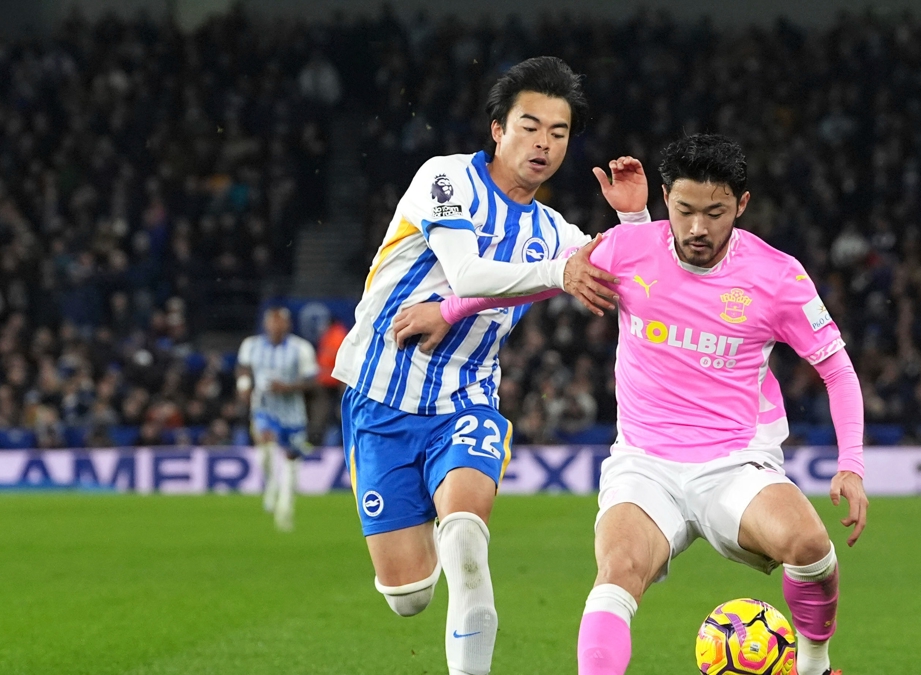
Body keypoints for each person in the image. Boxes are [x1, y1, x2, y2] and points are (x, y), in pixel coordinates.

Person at [395, 134, 867, 675]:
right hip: (644, 465)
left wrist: (851, 465)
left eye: (714, 213)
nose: (697, 227)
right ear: (666, 198)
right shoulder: (627, 248)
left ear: (742, 205)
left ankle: (814, 663)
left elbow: (837, 370)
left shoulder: (777, 275)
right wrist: (448, 310)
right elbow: (541, 282)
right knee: (617, 571)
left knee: (809, 546)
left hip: (736, 462)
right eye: (685, 210)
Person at [331, 56, 649, 675]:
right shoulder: (446, 178)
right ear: (498, 129)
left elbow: (637, 277)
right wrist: (559, 274)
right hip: (380, 395)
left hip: (467, 399)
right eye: (530, 127)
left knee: (466, 535)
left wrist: (633, 219)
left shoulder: (554, 231)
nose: (543, 143)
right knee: (408, 596)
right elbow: (469, 272)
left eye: (558, 133)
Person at [236, 307, 318, 532]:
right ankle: (271, 485)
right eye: (272, 322)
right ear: (266, 324)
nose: (275, 326)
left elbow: (312, 381)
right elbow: (243, 368)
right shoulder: (251, 345)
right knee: (266, 445)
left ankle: (285, 505)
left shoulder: (301, 348)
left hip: (292, 413)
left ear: (287, 325)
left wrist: (287, 387)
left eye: (279, 322)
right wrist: (243, 386)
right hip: (264, 407)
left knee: (292, 459)